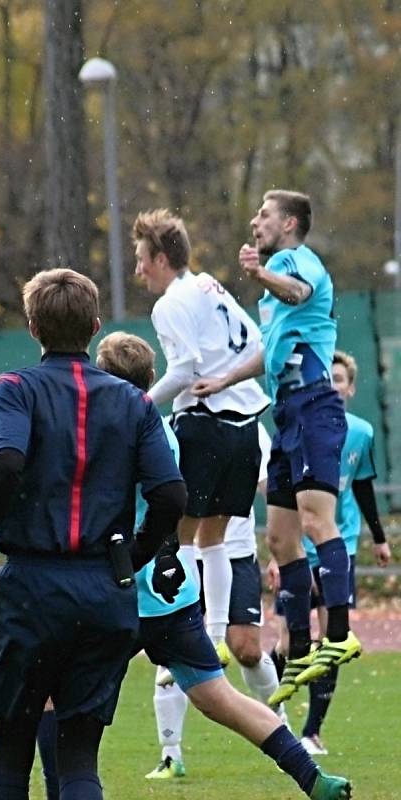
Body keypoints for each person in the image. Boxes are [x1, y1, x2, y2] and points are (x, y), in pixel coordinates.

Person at [0, 268, 187, 800]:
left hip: (31, 590)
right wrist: (132, 558)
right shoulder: (135, 403)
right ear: (95, 327)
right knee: (77, 761)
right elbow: (170, 495)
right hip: (102, 592)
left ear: (31, 327)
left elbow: (3, 466)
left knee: (10, 759)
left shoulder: (15, 389)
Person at [95, 330, 352, 800]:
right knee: (219, 696)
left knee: (64, 696)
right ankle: (310, 778)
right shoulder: (168, 432)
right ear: (152, 377)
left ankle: (66, 785)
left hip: (121, 590)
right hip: (175, 593)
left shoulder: (110, 431)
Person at [193, 190, 361, 706]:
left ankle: (339, 635)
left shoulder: (296, 260)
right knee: (283, 541)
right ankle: (305, 650)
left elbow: (297, 289)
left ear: (288, 222)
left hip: (314, 406)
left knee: (316, 521)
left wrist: (262, 274)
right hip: (286, 412)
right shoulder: (273, 286)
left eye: (264, 215)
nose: (255, 221)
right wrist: (224, 379)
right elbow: (271, 348)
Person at [133, 209, 270, 664]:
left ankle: (188, 629)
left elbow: (185, 368)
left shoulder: (169, 303)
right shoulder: (210, 284)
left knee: (184, 534)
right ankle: (213, 637)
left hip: (205, 421)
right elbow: (257, 343)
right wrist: (230, 379)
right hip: (245, 423)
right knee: (216, 535)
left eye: (141, 259)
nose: (138, 271)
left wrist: (141, 405)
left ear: (161, 257)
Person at [147, 422, 288, 779]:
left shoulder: (250, 428)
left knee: (248, 650)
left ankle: (282, 728)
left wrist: (284, 548)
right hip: (185, 555)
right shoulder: (179, 427)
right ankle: (170, 754)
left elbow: (270, 490)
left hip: (236, 555)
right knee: (171, 651)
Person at [269, 350, 391, 755]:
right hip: (297, 546)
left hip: (336, 543)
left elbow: (363, 487)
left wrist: (378, 536)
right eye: (330, 377)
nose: (336, 384)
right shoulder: (298, 424)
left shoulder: (360, 432)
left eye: (342, 379)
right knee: (287, 641)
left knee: (329, 638)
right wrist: (277, 551)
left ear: (351, 388)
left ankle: (312, 730)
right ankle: (278, 714)